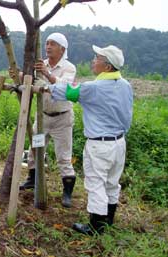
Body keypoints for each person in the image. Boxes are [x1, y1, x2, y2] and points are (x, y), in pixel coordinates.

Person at [43, 44, 133, 235]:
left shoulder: (93, 88)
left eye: (97, 58)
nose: (93, 61)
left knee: (95, 183)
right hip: (119, 142)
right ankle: (108, 219)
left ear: (107, 66)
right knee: (111, 182)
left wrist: (45, 87)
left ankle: (95, 227)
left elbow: (66, 92)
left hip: (99, 145)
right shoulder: (125, 85)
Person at [20, 33, 77, 208]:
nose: (48, 46)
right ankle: (32, 178)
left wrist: (47, 74)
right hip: (43, 116)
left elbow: (64, 88)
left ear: (62, 49)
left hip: (62, 119)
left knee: (63, 156)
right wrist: (19, 74)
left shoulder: (68, 68)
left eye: (53, 44)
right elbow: (31, 81)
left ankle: (67, 193)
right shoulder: (40, 65)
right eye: (47, 43)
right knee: (35, 149)